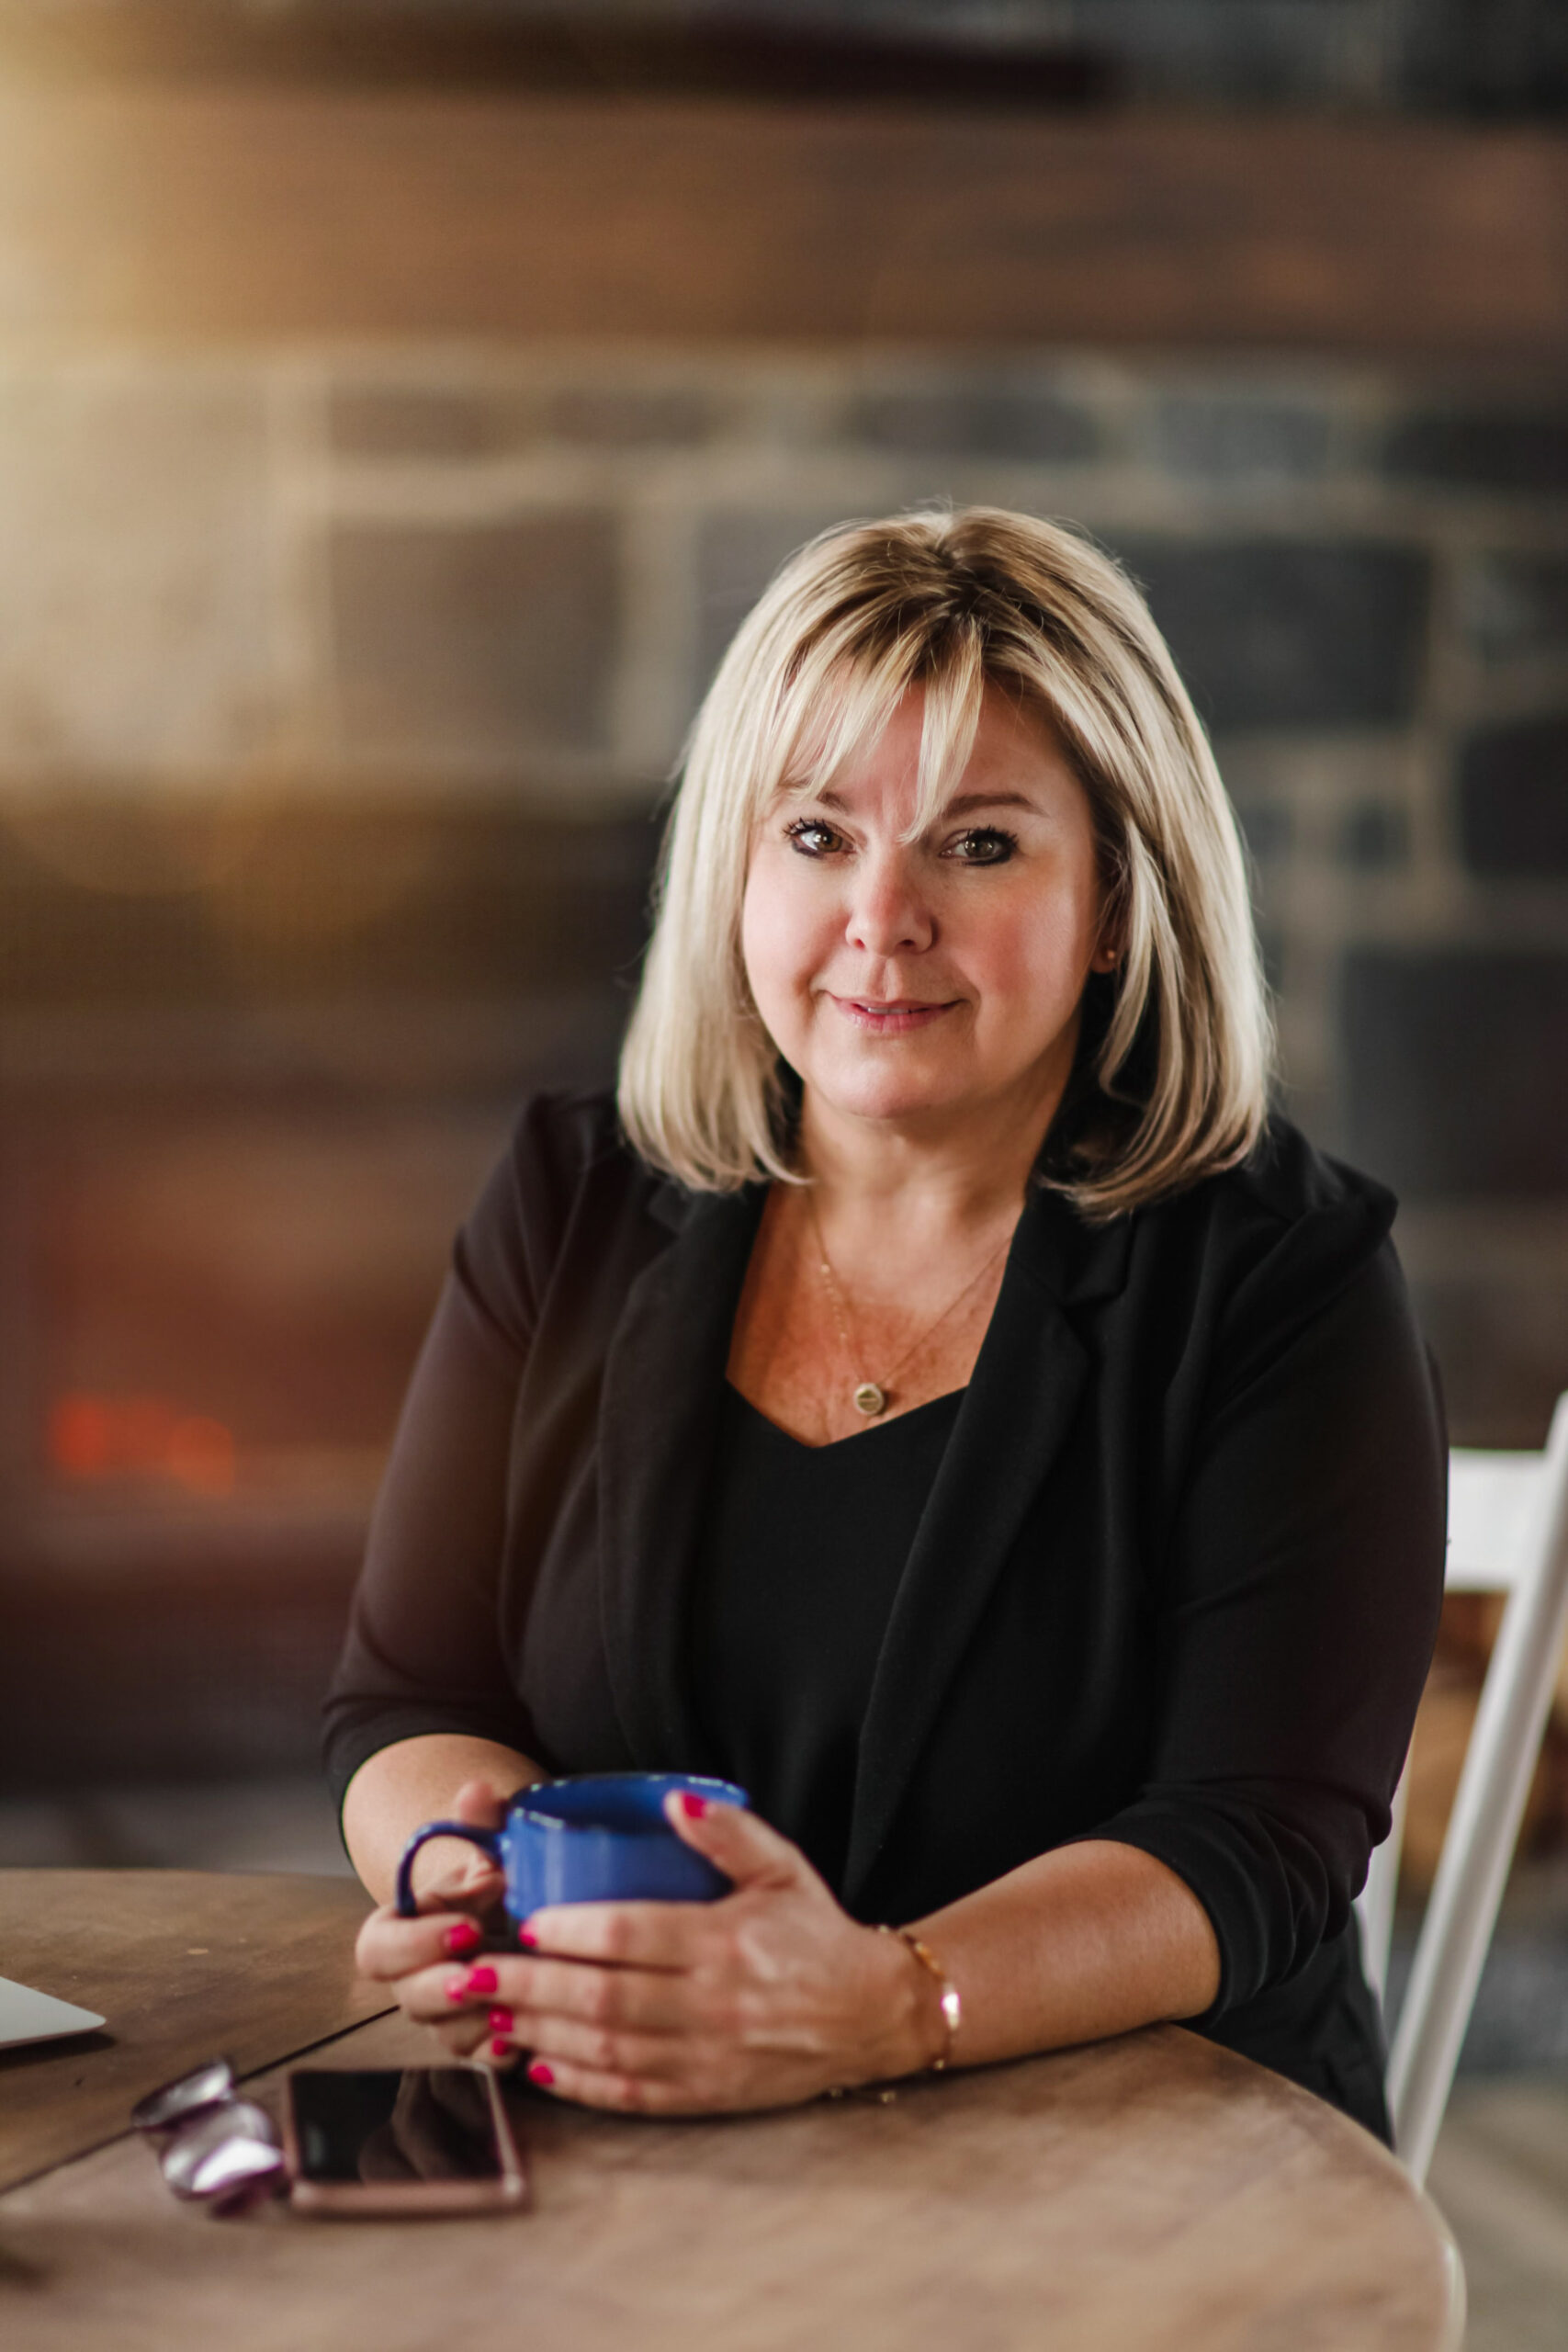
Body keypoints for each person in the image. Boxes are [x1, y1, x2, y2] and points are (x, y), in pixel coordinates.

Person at [327, 507, 1445, 2140]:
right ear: (736, 864)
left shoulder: (1289, 1278)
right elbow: (407, 1695)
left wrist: (887, 2003)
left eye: (979, 844)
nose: (881, 920)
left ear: (1120, 898)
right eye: (817, 835)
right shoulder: (570, 1196)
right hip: (636, 2133)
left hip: (1144, 2168)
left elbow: (1257, 1836)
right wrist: (471, 1873)